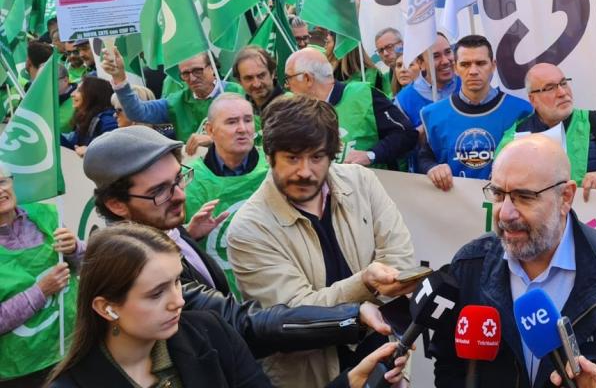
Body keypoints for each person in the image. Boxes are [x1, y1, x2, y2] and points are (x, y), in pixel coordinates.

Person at [82, 125, 391, 361]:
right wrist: (348, 317)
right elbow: (238, 323)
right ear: (117, 205)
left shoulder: (161, 225)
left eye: (179, 179)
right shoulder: (133, 266)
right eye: (160, 190)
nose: (179, 195)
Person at [429, 134, 596, 387]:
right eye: (498, 195)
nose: (505, 213)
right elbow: (449, 367)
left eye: (524, 197)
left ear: (565, 197)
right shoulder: (470, 266)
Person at [47, 224, 410, 388]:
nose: (177, 301)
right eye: (156, 293)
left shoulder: (209, 333)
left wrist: (350, 382)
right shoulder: (73, 383)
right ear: (107, 307)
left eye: (177, 281)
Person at [226, 94, 418, 388]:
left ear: (332, 155)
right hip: (311, 376)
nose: (305, 171)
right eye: (292, 158)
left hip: (384, 363)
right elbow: (295, 315)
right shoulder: (248, 228)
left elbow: (401, 262)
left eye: (316, 157)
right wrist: (365, 282)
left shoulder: (361, 182)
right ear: (269, 155)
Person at [498, 63, 596, 196]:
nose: (562, 92)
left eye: (564, 83)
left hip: (591, 221)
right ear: (533, 99)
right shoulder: (515, 136)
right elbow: (497, 188)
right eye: (550, 88)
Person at [0, 165, 80, 387]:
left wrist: (74, 249)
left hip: (72, 348)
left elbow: (88, 266)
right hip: (22, 371)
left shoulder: (47, 215)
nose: (0, 191)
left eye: (2, 182)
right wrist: (41, 291)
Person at [420, 35, 533, 189]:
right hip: (456, 204)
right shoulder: (433, 114)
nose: (473, 71)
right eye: (465, 64)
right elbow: (424, 156)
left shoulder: (522, 111)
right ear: (455, 68)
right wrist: (432, 168)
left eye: (480, 63)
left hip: (507, 206)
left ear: (493, 66)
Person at [184, 93, 267, 295]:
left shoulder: (276, 165)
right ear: (210, 130)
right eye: (232, 122)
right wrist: (190, 234)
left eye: (247, 120)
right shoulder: (187, 181)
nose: (242, 129)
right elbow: (167, 241)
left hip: (274, 288)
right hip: (221, 300)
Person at [284, 47, 416, 168]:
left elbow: (406, 134)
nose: (286, 86)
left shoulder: (363, 95)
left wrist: (370, 155)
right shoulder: (297, 111)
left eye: (288, 78)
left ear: (307, 78)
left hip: (371, 188)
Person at [102, 47, 244, 144]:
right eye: (185, 74)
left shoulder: (236, 92)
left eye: (197, 71)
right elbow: (137, 112)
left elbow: (252, 132)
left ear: (212, 68)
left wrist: (214, 140)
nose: (192, 78)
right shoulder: (175, 102)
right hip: (197, 173)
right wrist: (120, 78)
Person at [395, 32, 457, 129]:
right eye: (435, 56)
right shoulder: (404, 101)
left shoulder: (467, 84)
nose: (445, 61)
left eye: (448, 52)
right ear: (421, 63)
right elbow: (403, 141)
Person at [60, 76, 117, 155]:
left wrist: (90, 151)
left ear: (93, 95)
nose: (72, 94)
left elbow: (115, 150)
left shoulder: (107, 121)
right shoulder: (85, 118)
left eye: (79, 91)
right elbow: (74, 148)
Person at [232, 46, 285, 120]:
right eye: (249, 78)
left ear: (272, 74)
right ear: (239, 81)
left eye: (261, 76)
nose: (257, 84)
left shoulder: (292, 107)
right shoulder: (239, 113)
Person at [57, 64, 77, 134]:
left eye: (52, 81)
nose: (48, 86)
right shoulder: (46, 99)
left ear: (65, 80)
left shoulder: (79, 97)